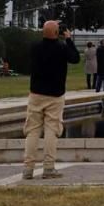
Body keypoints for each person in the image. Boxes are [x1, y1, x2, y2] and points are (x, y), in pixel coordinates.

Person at [23, 20, 80, 179]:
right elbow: (75, 58)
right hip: (55, 94)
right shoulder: (61, 48)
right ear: (57, 33)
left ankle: (28, 169)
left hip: (36, 94)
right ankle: (48, 168)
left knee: (32, 131)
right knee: (51, 131)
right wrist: (68, 38)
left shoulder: (35, 48)